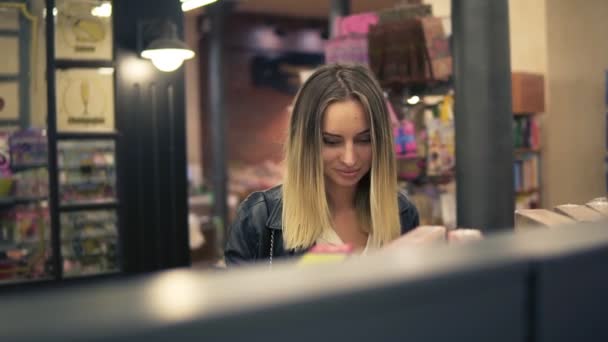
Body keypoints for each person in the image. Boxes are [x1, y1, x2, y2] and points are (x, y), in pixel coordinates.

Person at [225, 63, 420, 265]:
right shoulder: (258, 218)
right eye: (331, 141)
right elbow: (237, 296)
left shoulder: (402, 212)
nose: (349, 159)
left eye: (364, 140)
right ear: (305, 143)